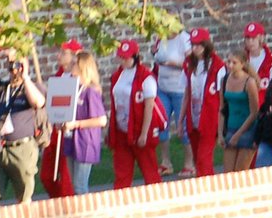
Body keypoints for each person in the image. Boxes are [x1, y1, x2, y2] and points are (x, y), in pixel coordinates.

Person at [0, 51, 45, 207]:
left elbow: (38, 102)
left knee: (24, 200)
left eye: (18, 65)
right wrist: (2, 54)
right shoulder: (1, 88)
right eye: (12, 66)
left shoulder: (32, 88)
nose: (15, 70)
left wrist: (25, 77)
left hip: (22, 148)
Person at [106, 41, 163, 189]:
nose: (123, 61)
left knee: (150, 172)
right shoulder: (117, 75)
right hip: (122, 131)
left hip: (139, 130)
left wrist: (144, 134)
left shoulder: (146, 77)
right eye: (121, 57)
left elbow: (149, 106)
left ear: (135, 56)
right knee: (122, 174)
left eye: (127, 58)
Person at [39, 38, 84, 200]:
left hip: (69, 133)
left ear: (74, 56)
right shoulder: (59, 76)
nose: (58, 55)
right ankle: (57, 200)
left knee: (67, 177)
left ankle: (66, 205)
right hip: (55, 130)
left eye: (63, 53)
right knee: (46, 175)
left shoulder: (79, 79)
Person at [60, 51, 107, 195]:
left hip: (85, 141)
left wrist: (76, 124)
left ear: (82, 67)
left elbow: (101, 120)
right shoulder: (74, 88)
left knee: (80, 185)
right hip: (71, 139)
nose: (71, 65)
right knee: (75, 185)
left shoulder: (91, 91)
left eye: (74, 63)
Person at [149, 27, 191, 177]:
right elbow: (157, 57)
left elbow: (190, 63)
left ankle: (189, 164)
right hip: (162, 87)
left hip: (180, 88)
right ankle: (166, 162)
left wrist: (172, 63)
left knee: (184, 126)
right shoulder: (162, 38)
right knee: (161, 124)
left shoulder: (184, 39)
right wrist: (154, 53)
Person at [184, 29, 224, 177]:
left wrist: (220, 129)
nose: (195, 48)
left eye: (199, 45)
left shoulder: (218, 65)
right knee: (197, 160)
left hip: (209, 118)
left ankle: (208, 191)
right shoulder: (189, 64)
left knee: (203, 159)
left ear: (206, 45)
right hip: (193, 117)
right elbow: (187, 93)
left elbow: (221, 99)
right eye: (193, 45)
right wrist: (182, 118)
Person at [219, 51, 260, 173]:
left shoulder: (249, 82)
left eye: (234, 62)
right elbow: (222, 109)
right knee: (228, 173)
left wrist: (238, 135)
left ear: (242, 64)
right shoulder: (224, 80)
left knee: (240, 172)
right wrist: (220, 133)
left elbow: (254, 112)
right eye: (228, 62)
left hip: (247, 129)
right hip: (231, 126)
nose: (230, 65)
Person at [243, 22, 272, 100]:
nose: (250, 41)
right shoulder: (242, 60)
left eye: (254, 38)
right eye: (247, 38)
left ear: (261, 38)